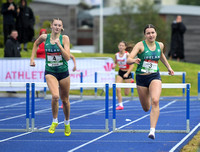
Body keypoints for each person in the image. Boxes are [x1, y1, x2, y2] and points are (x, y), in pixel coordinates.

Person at [127, 24, 174, 140]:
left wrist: (169, 67)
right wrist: (134, 60)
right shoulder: (140, 45)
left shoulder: (160, 45)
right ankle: (148, 99)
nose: (151, 35)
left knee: (155, 101)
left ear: (156, 33)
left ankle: (152, 130)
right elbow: (128, 60)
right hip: (141, 78)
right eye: (148, 33)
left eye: (152, 32)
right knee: (146, 108)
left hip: (154, 76)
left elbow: (161, 55)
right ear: (145, 35)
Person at [30, 18, 71, 136]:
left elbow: (67, 57)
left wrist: (59, 45)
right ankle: (54, 121)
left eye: (59, 25)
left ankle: (67, 122)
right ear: (51, 26)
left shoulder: (65, 38)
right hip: (50, 71)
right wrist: (32, 59)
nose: (57, 27)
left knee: (65, 100)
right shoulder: (44, 37)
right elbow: (35, 44)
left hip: (63, 72)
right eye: (55, 25)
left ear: (61, 28)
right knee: (55, 96)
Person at [112, 41, 134, 110]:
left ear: (125, 47)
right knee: (117, 88)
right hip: (120, 72)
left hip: (127, 72)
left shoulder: (127, 55)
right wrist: (114, 66)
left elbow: (132, 65)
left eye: (122, 46)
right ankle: (120, 105)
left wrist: (127, 73)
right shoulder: (116, 55)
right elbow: (116, 62)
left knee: (126, 93)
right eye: (120, 45)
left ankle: (131, 80)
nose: (121, 47)